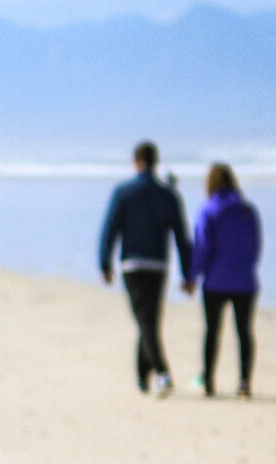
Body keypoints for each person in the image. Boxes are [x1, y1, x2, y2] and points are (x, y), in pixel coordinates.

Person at [98, 141, 194, 397]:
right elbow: (182, 236)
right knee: (149, 320)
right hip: (158, 265)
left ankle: (161, 373)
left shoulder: (123, 192)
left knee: (146, 321)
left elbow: (110, 228)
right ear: (155, 162)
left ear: (136, 162)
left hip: (132, 265)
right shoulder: (168, 194)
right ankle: (143, 376)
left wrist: (104, 263)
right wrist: (188, 273)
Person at [195, 163, 259, 397]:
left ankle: (209, 380)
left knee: (212, 331)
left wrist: (192, 275)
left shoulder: (209, 210)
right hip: (244, 280)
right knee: (244, 332)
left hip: (215, 281)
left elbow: (203, 247)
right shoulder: (246, 210)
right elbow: (255, 245)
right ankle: (244, 383)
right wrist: (247, 267)